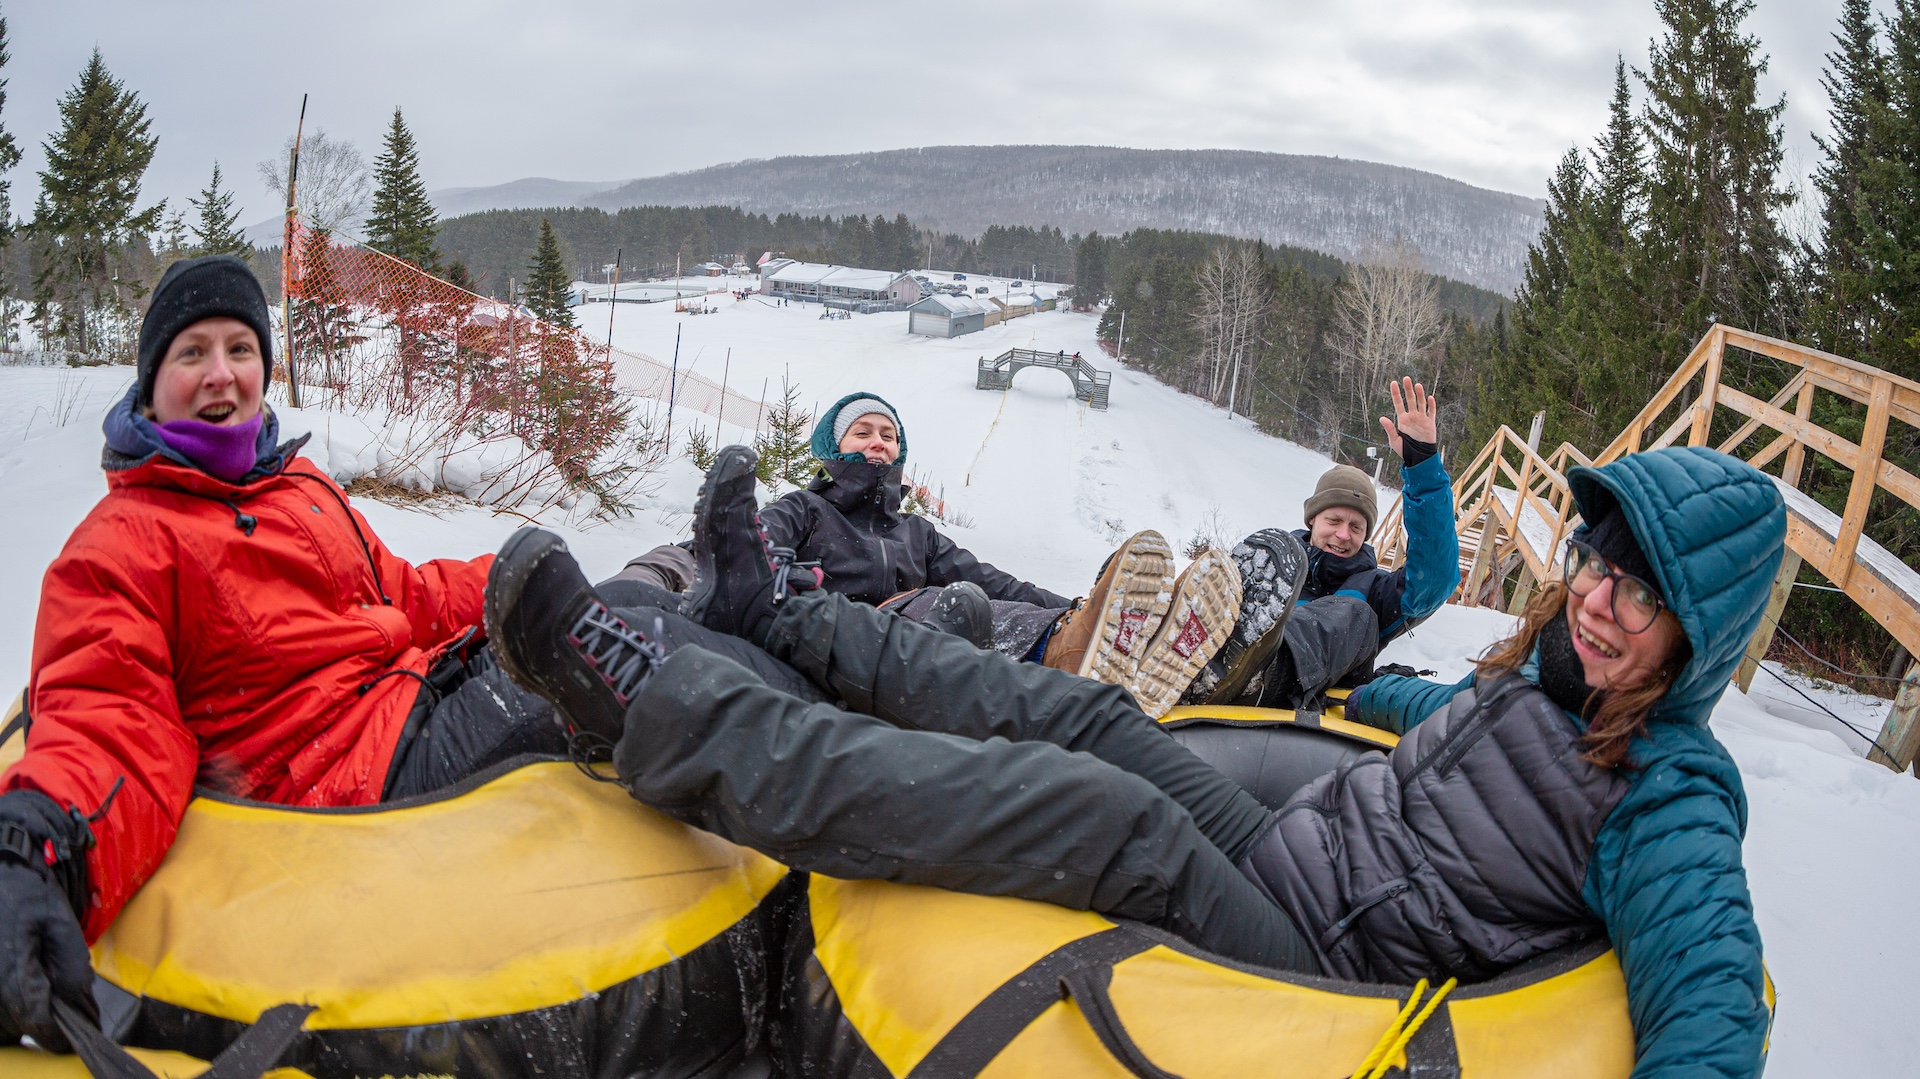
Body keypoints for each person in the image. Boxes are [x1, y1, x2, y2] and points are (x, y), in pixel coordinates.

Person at [484, 441, 1779, 1079]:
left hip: (1320, 964)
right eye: (1601, 566)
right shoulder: (1535, 678)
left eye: (1642, 595)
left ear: (1698, 638)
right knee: (1105, 716)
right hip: (1291, 846)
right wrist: (1320, 676)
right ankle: (778, 611)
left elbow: (1712, 990)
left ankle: (654, 708)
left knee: (1104, 807)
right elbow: (1419, 709)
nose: (1603, 603)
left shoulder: (1665, 795)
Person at [0, 256, 804, 1053]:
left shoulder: (293, 485)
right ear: (151, 381)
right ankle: (813, 736)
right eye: (192, 353)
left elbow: (401, 595)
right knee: (599, 670)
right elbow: (109, 714)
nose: (221, 375)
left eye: (240, 350)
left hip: (410, 696)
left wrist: (520, 587)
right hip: (352, 769)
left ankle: (742, 623)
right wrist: (33, 852)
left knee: (615, 613)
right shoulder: (123, 544)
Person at [1184, 377, 1460, 709]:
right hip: (1209, 677)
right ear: (1312, 519)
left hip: (1289, 700)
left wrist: (1422, 467)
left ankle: (1256, 669)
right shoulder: (1270, 570)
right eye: (1334, 521)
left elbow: (1434, 579)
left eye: (1356, 527)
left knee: (1355, 613)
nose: (1343, 535)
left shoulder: (1374, 590)